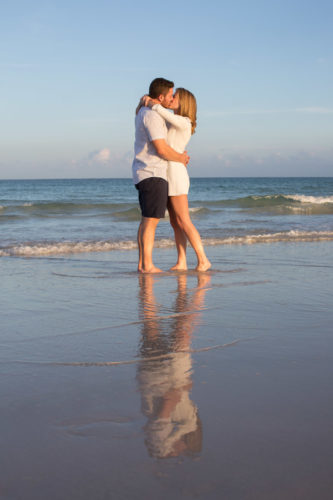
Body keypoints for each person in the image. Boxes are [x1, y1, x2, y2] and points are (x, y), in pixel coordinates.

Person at [141, 88, 211, 271]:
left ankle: (203, 259)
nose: (171, 100)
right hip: (168, 174)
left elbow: (160, 111)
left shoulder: (184, 121)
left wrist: (151, 102)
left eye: (175, 98)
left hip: (177, 175)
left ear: (184, 103)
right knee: (175, 223)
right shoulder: (176, 122)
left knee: (184, 220)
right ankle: (182, 261)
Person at [132, 78, 190, 273]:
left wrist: (143, 101)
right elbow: (162, 149)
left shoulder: (143, 111)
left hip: (144, 172)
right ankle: (147, 265)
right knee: (151, 220)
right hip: (154, 172)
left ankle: (143, 264)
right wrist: (181, 158)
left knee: (146, 219)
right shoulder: (153, 116)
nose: (172, 98)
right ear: (161, 97)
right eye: (170, 95)